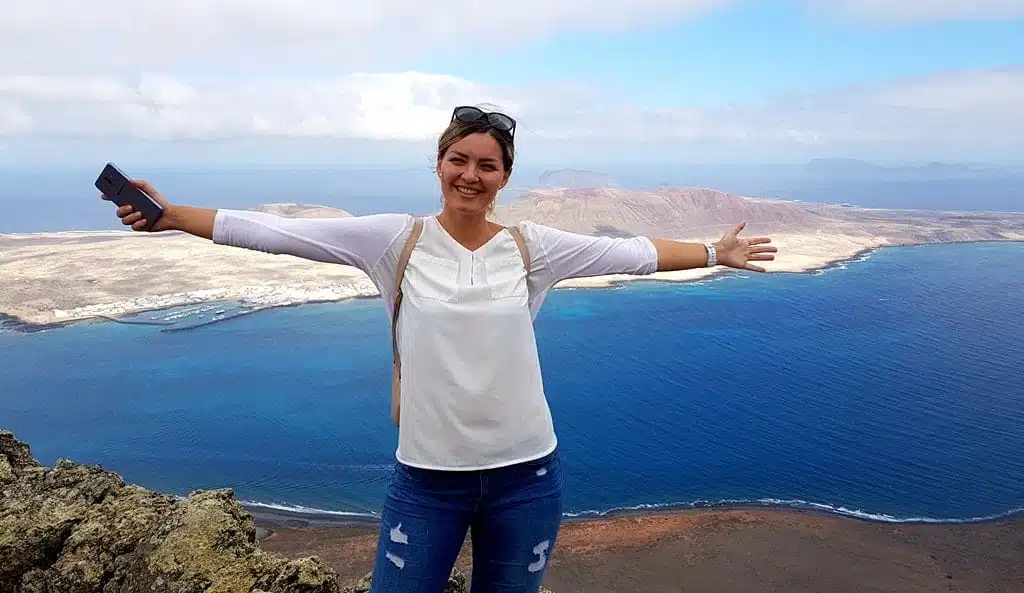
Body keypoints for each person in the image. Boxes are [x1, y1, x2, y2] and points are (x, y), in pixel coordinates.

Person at [103, 105, 777, 593]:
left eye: (487, 164)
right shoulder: (394, 241)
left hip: (527, 477)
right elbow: (272, 231)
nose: (471, 174)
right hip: (427, 479)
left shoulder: (531, 247)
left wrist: (718, 250)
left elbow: (632, 254)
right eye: (459, 159)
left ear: (504, 177)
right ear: (439, 165)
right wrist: (169, 215)